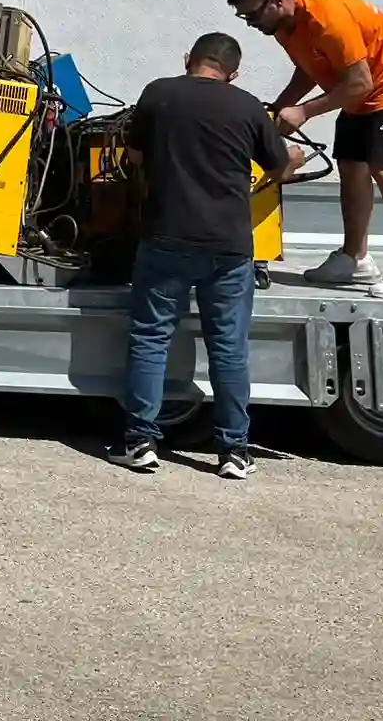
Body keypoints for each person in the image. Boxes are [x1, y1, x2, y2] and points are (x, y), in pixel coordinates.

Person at [108, 32, 297, 479]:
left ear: (188, 58)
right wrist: (296, 159)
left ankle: (140, 443)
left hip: (166, 238)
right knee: (228, 349)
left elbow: (134, 156)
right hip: (229, 246)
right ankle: (234, 451)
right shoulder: (247, 106)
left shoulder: (158, 94)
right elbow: (279, 169)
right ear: (234, 73)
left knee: (150, 339)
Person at [226, 0, 383, 298]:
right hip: (361, 91)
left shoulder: (327, 19)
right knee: (351, 164)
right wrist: (278, 108)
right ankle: (355, 259)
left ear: (277, 2)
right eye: (244, 17)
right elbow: (309, 70)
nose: (250, 23)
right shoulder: (284, 27)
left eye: (252, 14)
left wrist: (304, 112)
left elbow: (361, 82)